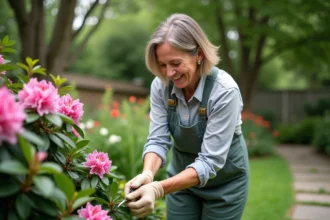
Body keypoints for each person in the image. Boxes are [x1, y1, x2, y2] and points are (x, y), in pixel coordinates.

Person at [124, 13, 249, 220]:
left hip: (225, 184)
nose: (169, 73)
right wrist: (147, 175)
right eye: (163, 65)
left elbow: (210, 161)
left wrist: (157, 189)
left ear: (199, 54)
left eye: (175, 63)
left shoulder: (225, 91)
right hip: (181, 183)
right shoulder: (161, 86)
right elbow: (158, 139)